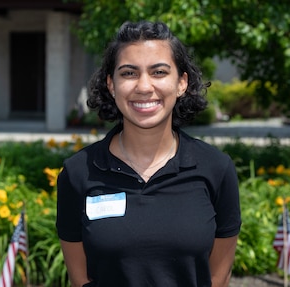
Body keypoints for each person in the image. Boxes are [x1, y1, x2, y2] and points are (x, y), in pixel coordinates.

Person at [56, 20, 241, 287]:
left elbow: (218, 278)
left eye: (159, 72)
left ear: (181, 83)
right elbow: (80, 279)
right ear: (111, 85)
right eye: (129, 73)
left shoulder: (216, 168)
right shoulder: (78, 172)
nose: (144, 86)